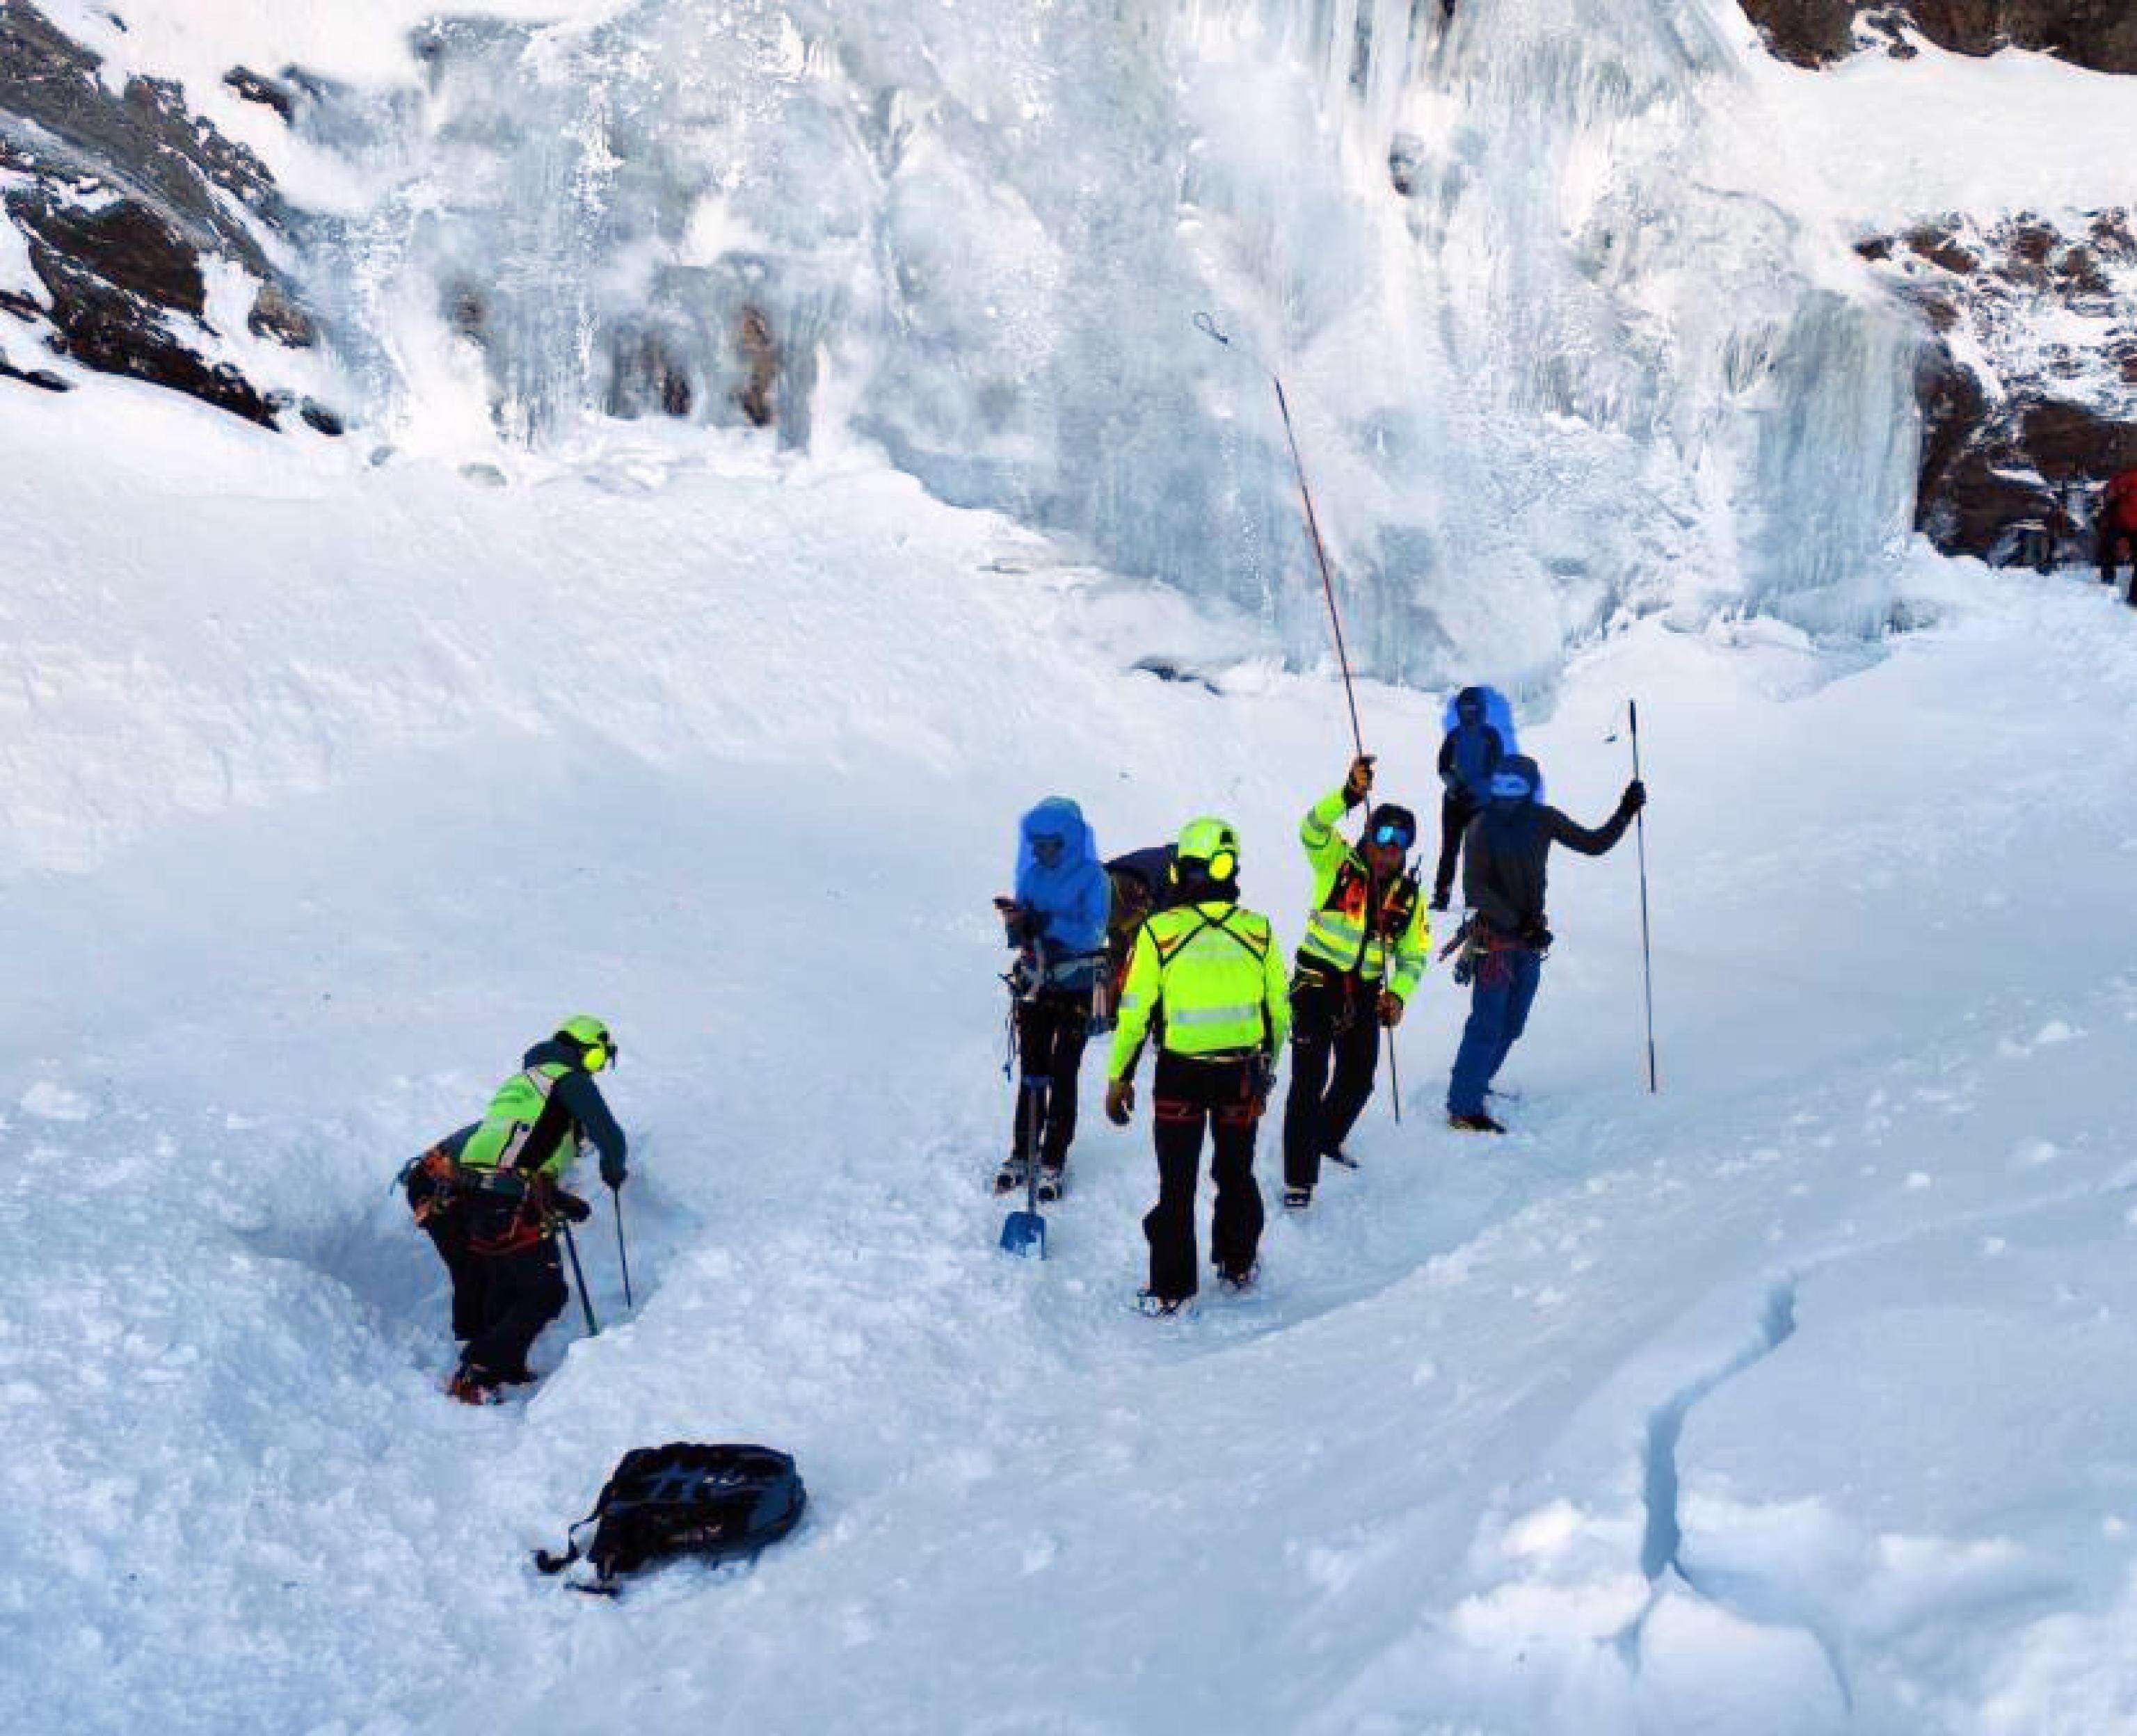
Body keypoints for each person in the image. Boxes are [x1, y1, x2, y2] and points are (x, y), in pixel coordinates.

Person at [1104, 817, 1290, 1315]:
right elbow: (1280, 1010)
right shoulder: (1258, 931)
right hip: (1242, 1074)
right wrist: (1268, 1066)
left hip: (1180, 1075)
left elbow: (1134, 1011)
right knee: (1236, 1172)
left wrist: (1119, 1076)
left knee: (1177, 1182)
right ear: (1229, 868)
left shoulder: (1159, 933)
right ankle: (1238, 1262)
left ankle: (1170, 1288)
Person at [1445, 759, 1644, 1132]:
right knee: (1487, 1025)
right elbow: (1476, 890)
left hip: (1527, 941)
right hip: (1496, 944)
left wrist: (1624, 811)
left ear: (1531, 787)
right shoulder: (1481, 825)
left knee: (1512, 1024)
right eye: (1502, 786)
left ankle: (1477, 1083)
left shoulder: (1543, 820)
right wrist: (1519, 924)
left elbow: (1593, 843)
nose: (1507, 794)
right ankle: (1463, 1107)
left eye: (1515, 786)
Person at [445, 1015, 628, 1403]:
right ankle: (479, 1369)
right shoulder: (569, 1079)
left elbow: (522, 1148)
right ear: (582, 1049)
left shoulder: (525, 1081)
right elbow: (609, 1134)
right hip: (512, 1198)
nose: (596, 1071)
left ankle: (501, 1368)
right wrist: (614, 1168)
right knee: (545, 1292)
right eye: (598, 1059)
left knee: (506, 1281)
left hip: (476, 1194)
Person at [1279, 755, 1430, 1209]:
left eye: (1398, 845)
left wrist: (1399, 995)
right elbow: (1311, 827)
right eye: (1382, 838)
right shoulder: (1336, 863)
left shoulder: (1408, 896)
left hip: (1363, 992)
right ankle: (1298, 1178)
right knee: (1308, 1078)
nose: (1388, 850)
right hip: (1315, 981)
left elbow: (1415, 955)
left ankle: (1326, 1139)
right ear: (1368, 836)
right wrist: (1348, 794)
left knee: (1359, 1077)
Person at [993, 798, 1110, 1203]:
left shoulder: (1095, 879)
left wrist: (1048, 923)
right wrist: (1018, 924)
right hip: (1035, 985)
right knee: (1032, 1070)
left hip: (1075, 989)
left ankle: (1054, 1157)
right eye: (1037, 842)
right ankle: (1023, 1150)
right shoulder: (1031, 876)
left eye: (1051, 843)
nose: (1043, 850)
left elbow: (1092, 933)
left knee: (1063, 1072)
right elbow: (1023, 935)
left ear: (1070, 840)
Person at [1432, 686, 1509, 912]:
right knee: (1449, 850)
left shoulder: (1491, 736)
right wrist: (1456, 787)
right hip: (1455, 802)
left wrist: (1475, 791)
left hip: (1480, 805)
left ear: (1481, 709)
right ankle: (1441, 895)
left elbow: (1495, 769)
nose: (1469, 712)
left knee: (1476, 853)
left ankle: (1474, 899)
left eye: (1473, 708)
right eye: (1464, 708)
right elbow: (1443, 766)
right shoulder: (1454, 736)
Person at [2099, 468, 2137, 602]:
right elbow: (2110, 497)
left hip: (2125, 526)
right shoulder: (2128, 477)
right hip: (2121, 526)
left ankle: (2132, 599)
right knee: (2108, 549)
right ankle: (2105, 589)